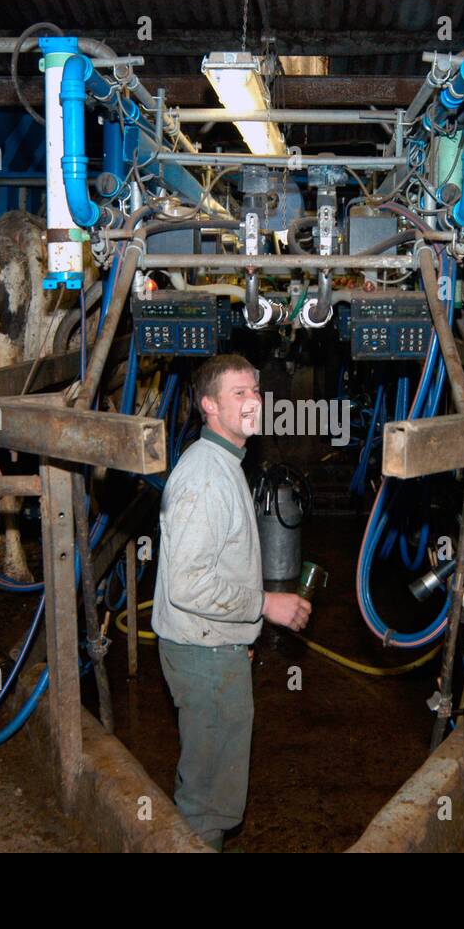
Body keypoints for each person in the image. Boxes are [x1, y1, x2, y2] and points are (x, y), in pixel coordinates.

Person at [151, 353, 311, 851]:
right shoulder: (204, 478)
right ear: (209, 406)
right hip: (203, 657)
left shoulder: (225, 461)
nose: (252, 401)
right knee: (206, 801)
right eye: (238, 393)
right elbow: (189, 585)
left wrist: (235, 637)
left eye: (255, 391)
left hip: (211, 650)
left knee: (214, 789)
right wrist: (265, 605)